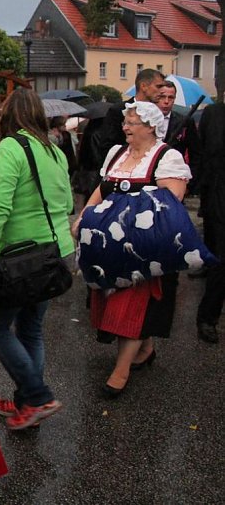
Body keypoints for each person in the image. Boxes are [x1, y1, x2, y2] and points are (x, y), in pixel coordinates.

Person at [72, 101, 191, 396]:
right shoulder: (117, 154)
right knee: (112, 303)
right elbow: (102, 189)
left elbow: (171, 201)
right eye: (126, 122)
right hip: (109, 245)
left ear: (150, 127)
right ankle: (146, 348)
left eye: (132, 123)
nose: (125, 127)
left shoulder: (167, 157)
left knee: (131, 308)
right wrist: (84, 214)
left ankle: (120, 372)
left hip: (143, 248)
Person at [0, 88, 73, 429]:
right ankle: (25, 403)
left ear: (7, 116)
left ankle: (37, 395)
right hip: (55, 253)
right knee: (31, 329)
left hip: (22, 258)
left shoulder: (10, 147)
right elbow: (67, 205)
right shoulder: (54, 151)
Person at [195, 102, 225, 343]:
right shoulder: (214, 114)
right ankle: (207, 318)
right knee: (221, 262)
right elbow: (206, 154)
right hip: (219, 196)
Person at [102, 69, 165, 150]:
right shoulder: (118, 110)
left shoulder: (157, 112)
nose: (162, 91)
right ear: (143, 86)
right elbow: (106, 145)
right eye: (158, 86)